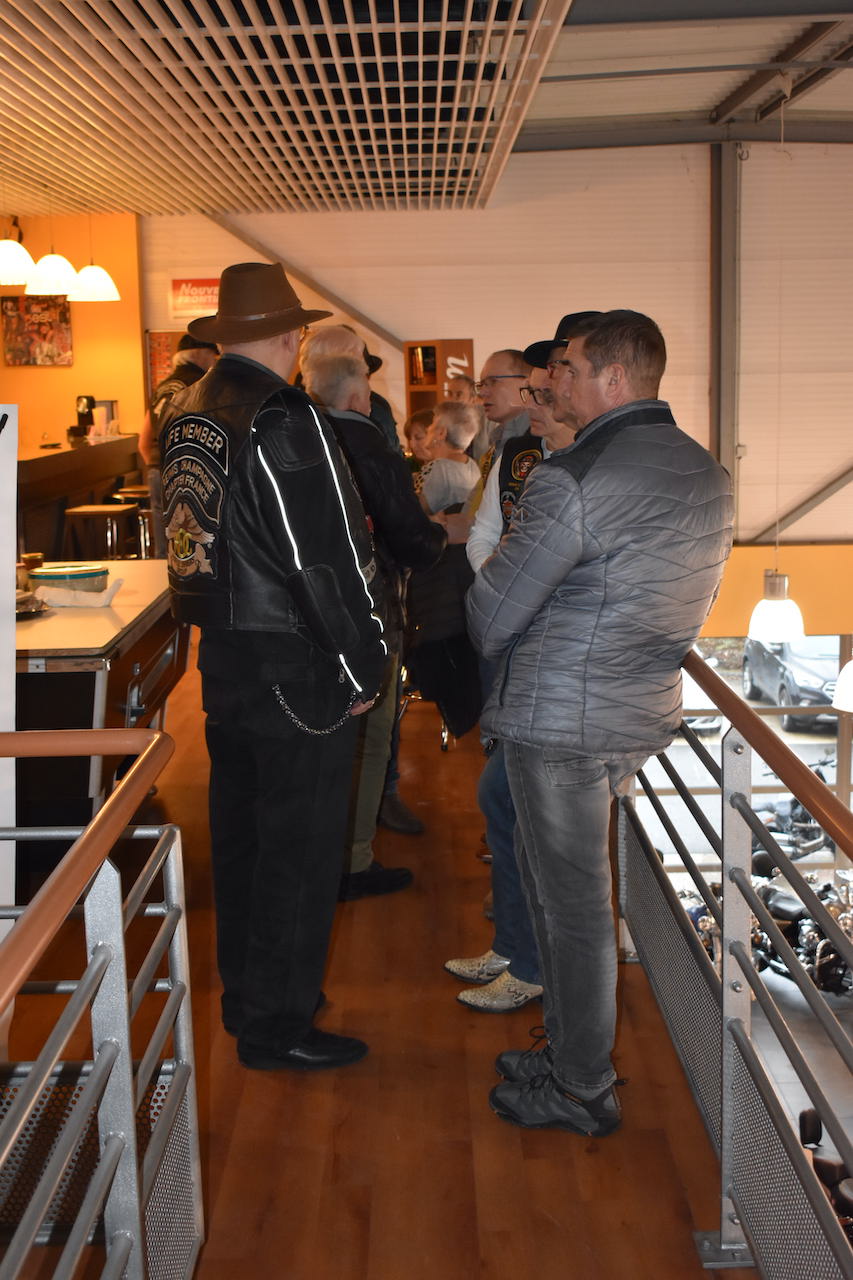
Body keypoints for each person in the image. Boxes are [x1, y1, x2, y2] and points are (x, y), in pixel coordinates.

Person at [467, 309, 733, 1133]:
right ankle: (568, 1050)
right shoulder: (703, 469)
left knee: (571, 910)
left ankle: (580, 1085)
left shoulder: (574, 477)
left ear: (614, 378)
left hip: (560, 719)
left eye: (570, 368)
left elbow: (489, 613)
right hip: (634, 709)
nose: (556, 380)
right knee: (566, 897)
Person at [158, 262, 387, 1072]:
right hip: (298, 663)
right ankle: (276, 1025)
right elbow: (320, 557)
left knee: (246, 842)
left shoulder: (187, 411)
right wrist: (363, 663)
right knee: (299, 848)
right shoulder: (283, 415)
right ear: (291, 337)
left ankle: (252, 997)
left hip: (226, 657)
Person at [447, 313, 597, 1013]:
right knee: (503, 801)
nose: (535, 405)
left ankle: (533, 963)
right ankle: (514, 946)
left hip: (559, 667)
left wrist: (515, 593)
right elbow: (485, 534)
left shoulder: (580, 472)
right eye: (533, 392)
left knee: (522, 808)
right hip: (517, 644)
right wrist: (501, 587)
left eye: (545, 393)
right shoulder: (520, 457)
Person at [303, 353, 446, 896]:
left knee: (318, 735)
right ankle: (354, 861)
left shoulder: (294, 437)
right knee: (370, 737)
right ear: (358, 397)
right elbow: (411, 538)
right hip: (371, 608)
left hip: (308, 612)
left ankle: (316, 856)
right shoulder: (371, 447)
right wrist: (440, 535)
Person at [139, 334, 219, 556]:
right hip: (189, 472)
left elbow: (144, 440)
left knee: (163, 542)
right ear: (201, 354)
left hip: (158, 468)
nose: (215, 361)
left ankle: (161, 578)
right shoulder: (201, 385)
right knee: (192, 546)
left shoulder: (162, 388)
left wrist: (157, 466)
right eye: (213, 355)